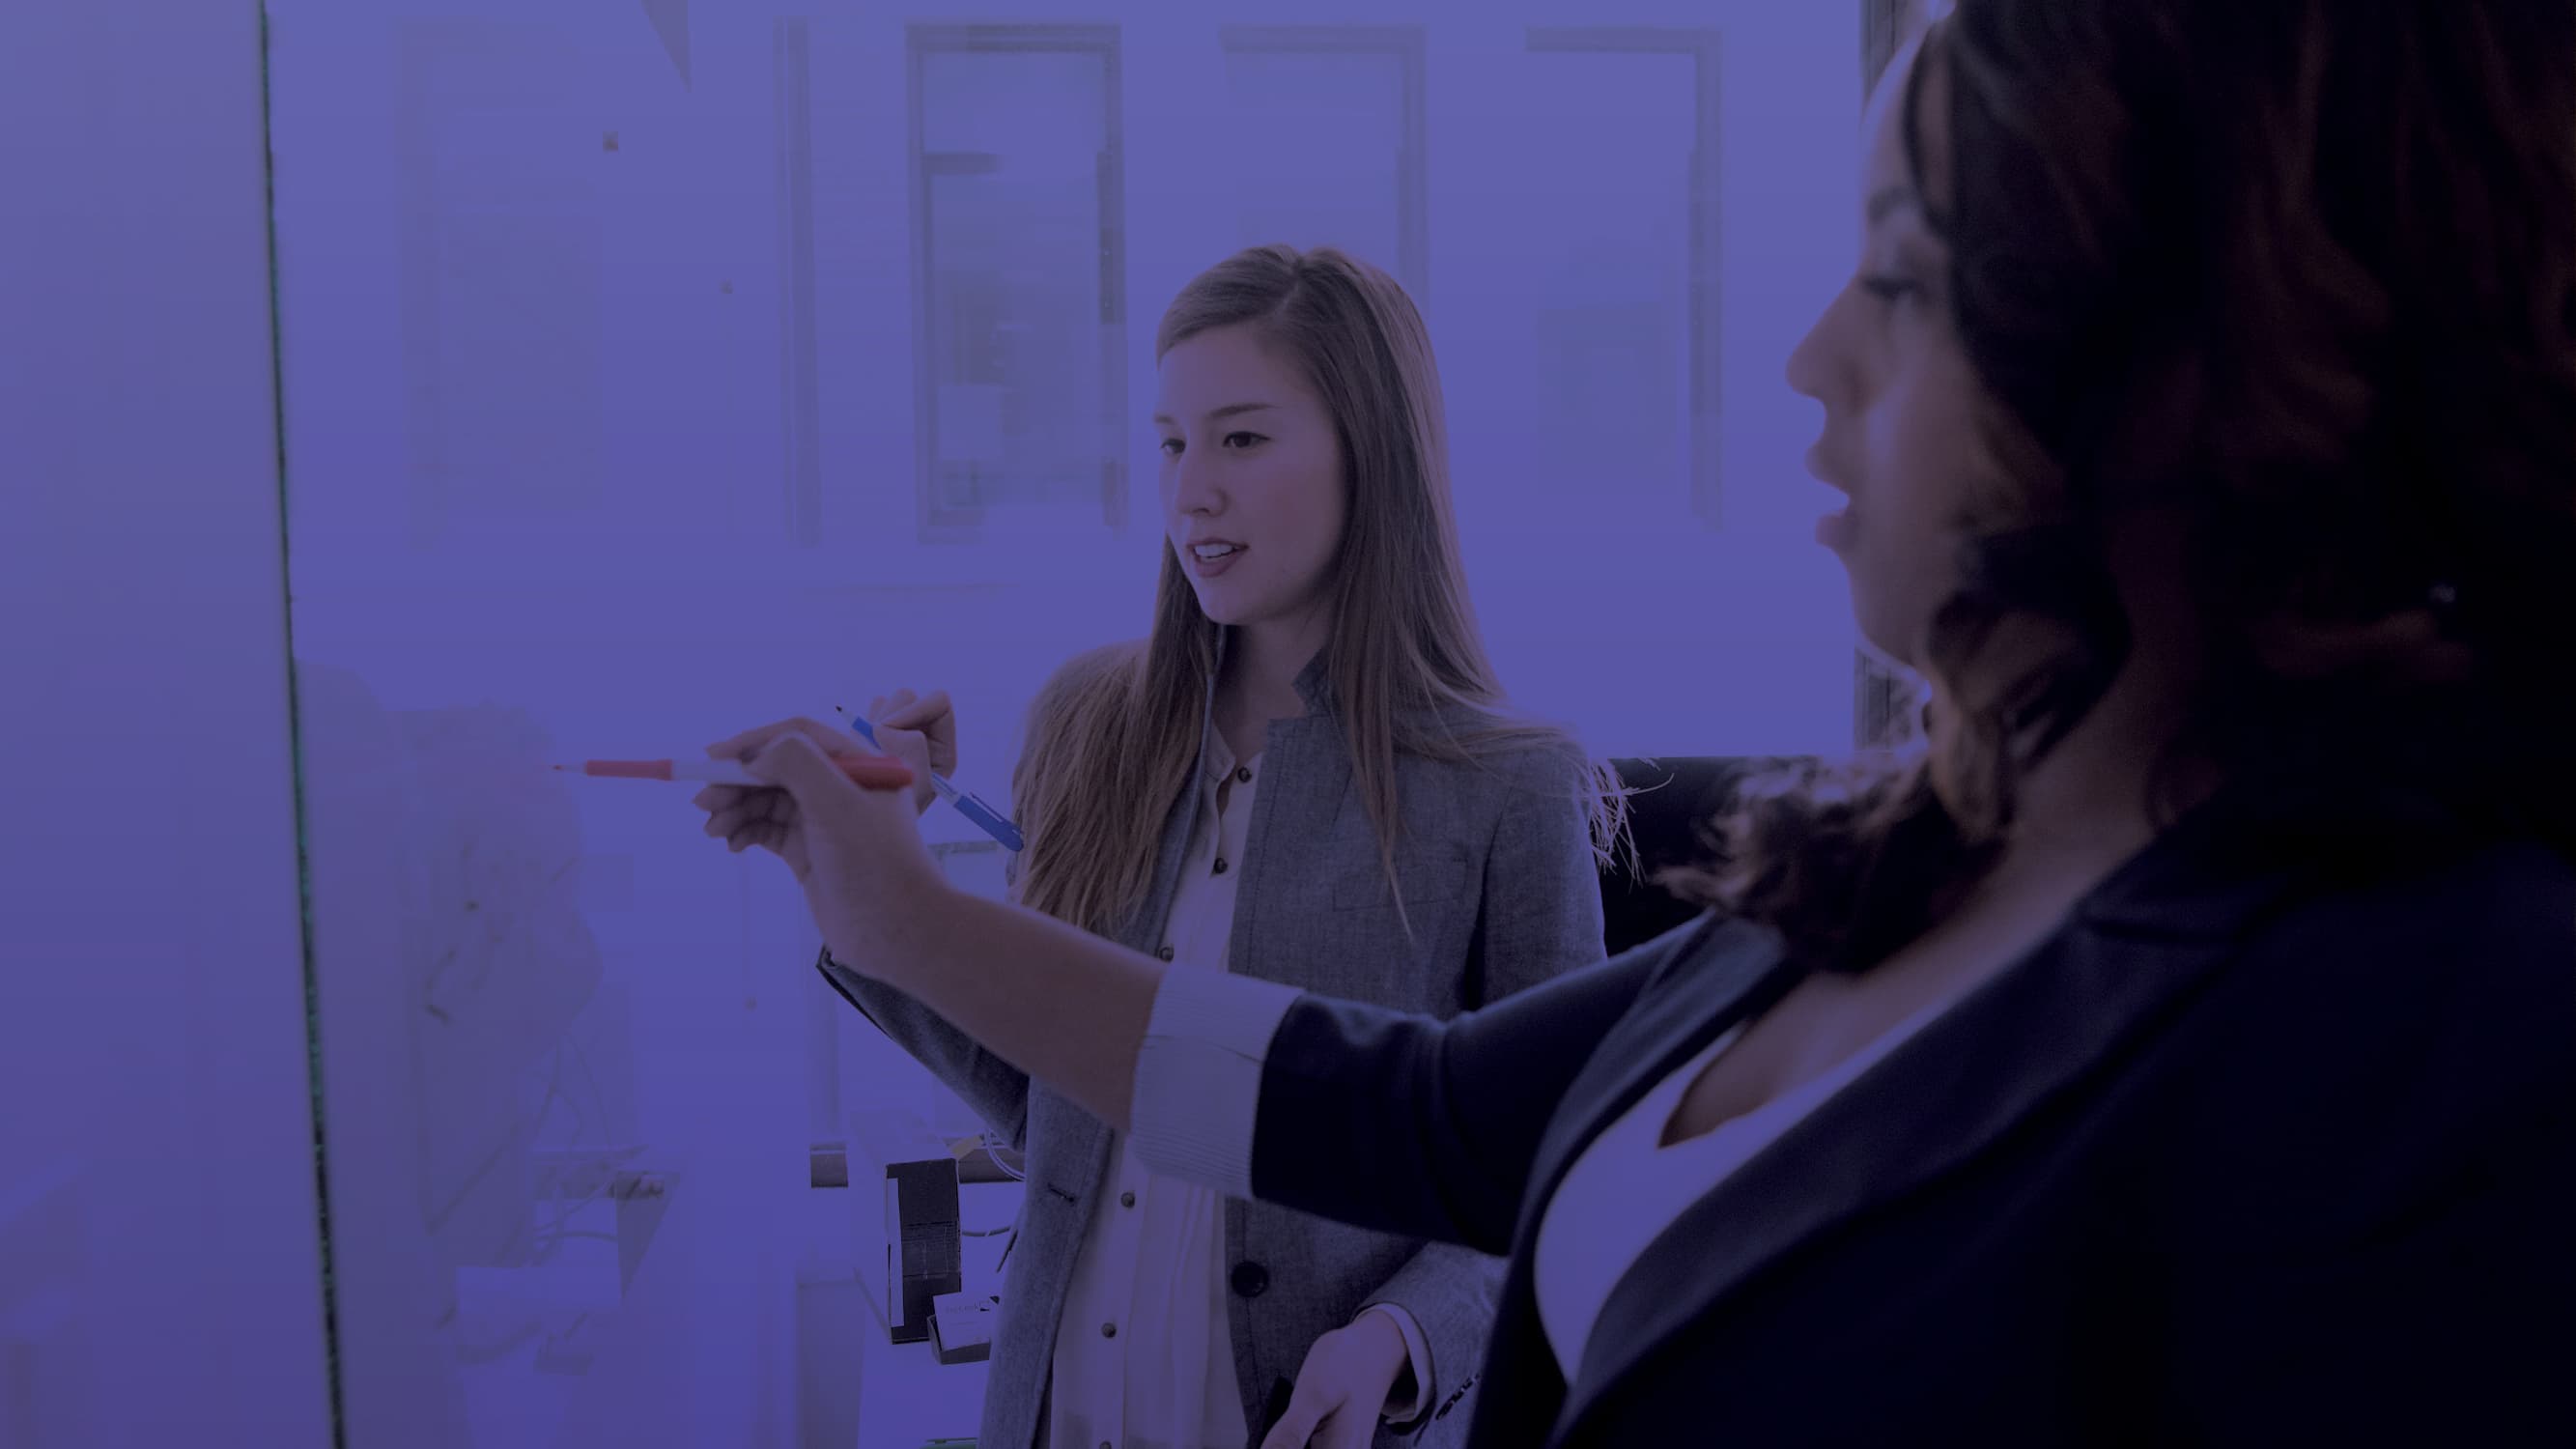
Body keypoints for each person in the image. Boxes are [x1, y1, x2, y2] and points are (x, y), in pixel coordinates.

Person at [699, 3, 2576, 1442]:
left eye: (1908, 279)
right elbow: (1402, 1106)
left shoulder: (2443, 1014)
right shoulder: (1881, 861)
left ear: (2212, 375)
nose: (1809, 354)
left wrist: (1384, 1348)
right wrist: (901, 917)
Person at [778, 244, 1623, 1449]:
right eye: (1172, 442)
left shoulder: (1507, 784)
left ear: (1369, 456)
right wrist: (869, 876)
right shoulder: (1085, 724)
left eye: (1241, 439)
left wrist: (1401, 1339)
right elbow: (1041, 1101)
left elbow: (1553, 1184)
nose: (1190, 495)